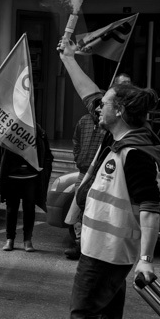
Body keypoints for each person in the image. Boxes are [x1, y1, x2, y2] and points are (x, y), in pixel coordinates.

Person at [53, 41, 160, 319]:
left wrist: (146, 261)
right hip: (102, 246)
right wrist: (67, 59)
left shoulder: (135, 153)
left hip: (109, 251)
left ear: (118, 110)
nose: (96, 108)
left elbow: (150, 210)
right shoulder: (117, 135)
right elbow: (88, 92)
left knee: (84, 314)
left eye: (104, 105)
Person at [0, 120, 54, 253]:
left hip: (31, 179)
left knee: (29, 210)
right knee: (11, 210)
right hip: (11, 179)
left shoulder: (38, 131)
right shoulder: (8, 130)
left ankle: (28, 240)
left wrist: (43, 171)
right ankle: (10, 239)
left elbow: (48, 155)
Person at [66, 98, 105, 260]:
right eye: (97, 106)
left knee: (94, 210)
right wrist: (78, 157)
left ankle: (92, 246)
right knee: (78, 207)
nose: (98, 110)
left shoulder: (107, 125)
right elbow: (76, 140)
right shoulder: (84, 121)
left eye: (101, 106)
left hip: (99, 174)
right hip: (83, 172)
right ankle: (79, 243)